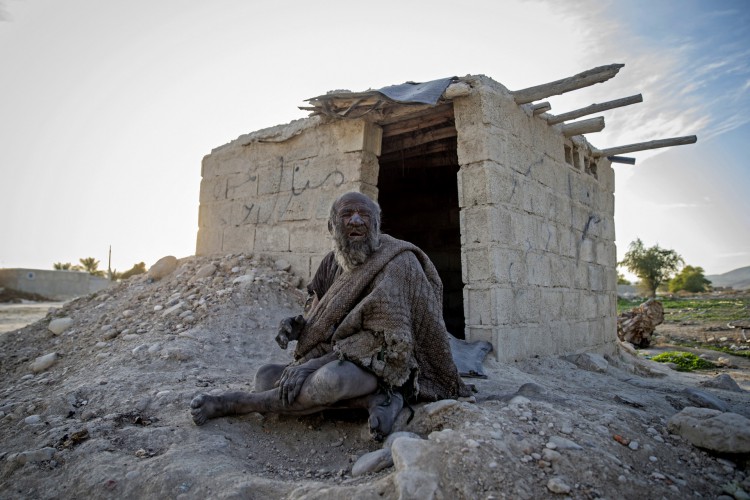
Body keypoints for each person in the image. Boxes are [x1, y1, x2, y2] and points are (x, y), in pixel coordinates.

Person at [190, 191, 471, 439]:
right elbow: (318, 313)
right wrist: (296, 326)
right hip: (336, 358)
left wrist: (309, 367)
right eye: (347, 214)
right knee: (265, 376)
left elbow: (387, 345)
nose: (356, 221)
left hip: (383, 366)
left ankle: (239, 403)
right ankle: (373, 401)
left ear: (376, 223)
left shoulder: (397, 262)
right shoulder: (331, 262)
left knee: (332, 380)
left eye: (365, 215)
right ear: (332, 225)